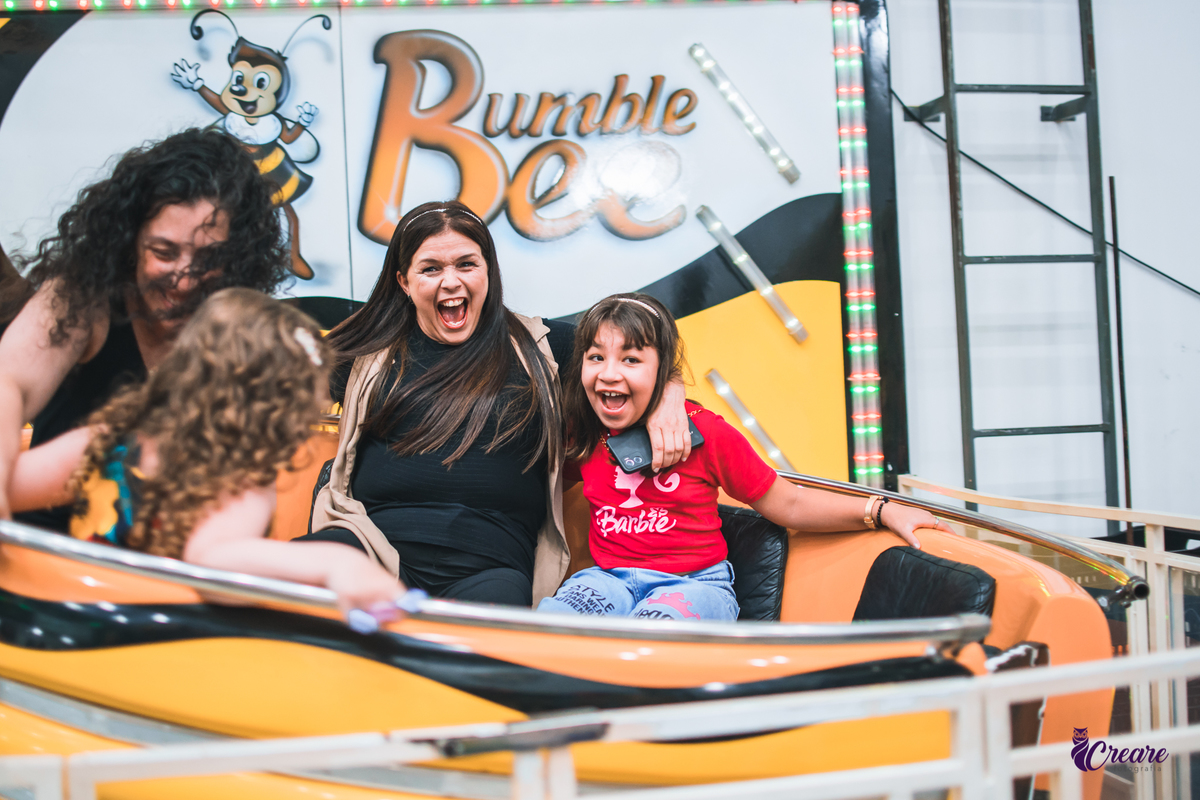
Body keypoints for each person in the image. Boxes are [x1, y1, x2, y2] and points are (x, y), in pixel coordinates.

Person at [303, 201, 691, 607]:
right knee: (289, 595)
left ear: (488, 269)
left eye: (466, 264)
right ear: (403, 281)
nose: (450, 281)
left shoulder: (543, 346)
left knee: (494, 649)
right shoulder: (367, 352)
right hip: (369, 545)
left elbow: (634, 359)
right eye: (431, 268)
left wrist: (669, 390)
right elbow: (270, 390)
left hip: (490, 564)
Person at [538, 293, 954, 621]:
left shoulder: (709, 433)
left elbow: (790, 503)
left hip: (694, 585)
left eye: (630, 359)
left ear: (664, 370)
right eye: (597, 357)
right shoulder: (586, 432)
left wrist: (880, 510)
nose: (609, 373)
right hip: (609, 580)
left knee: (650, 641)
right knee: (548, 629)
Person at [9, 289, 405, 619]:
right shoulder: (239, 482)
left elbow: (11, 487)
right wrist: (338, 564)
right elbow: (215, 559)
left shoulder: (109, 442)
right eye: (299, 404)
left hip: (71, 623)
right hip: (153, 651)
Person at [0, 128, 289, 528]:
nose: (184, 279)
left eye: (209, 259)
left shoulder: (239, 341)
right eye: (164, 253)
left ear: (239, 258)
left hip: (156, 573)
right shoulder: (82, 298)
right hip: (45, 556)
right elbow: (8, 381)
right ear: (130, 240)